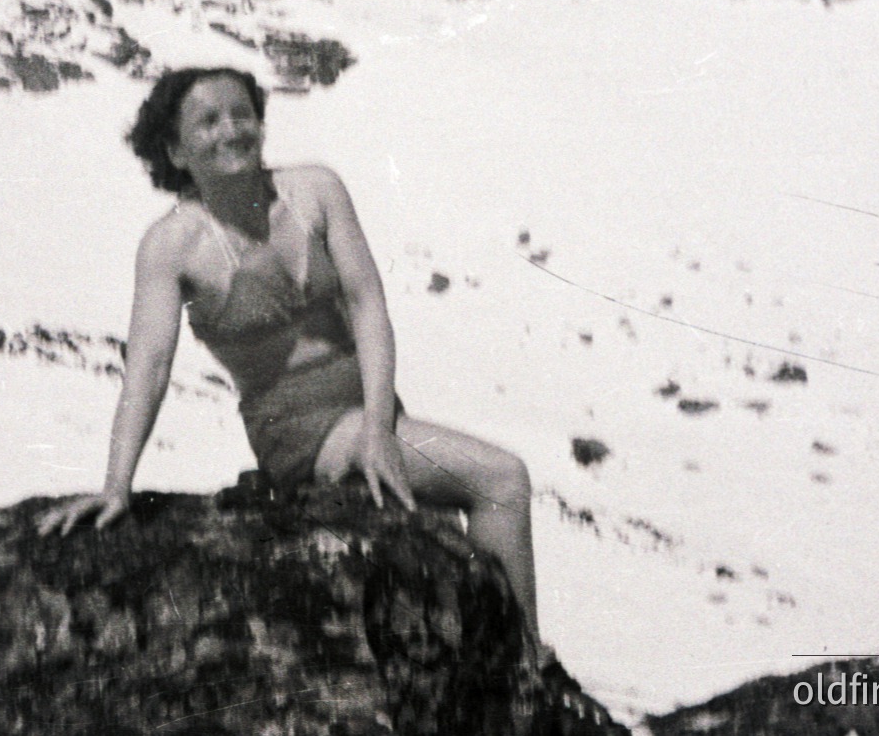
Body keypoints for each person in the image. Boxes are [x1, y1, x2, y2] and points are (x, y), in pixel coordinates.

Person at [36, 66, 542, 647]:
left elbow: (367, 303)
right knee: (500, 481)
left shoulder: (315, 191)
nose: (231, 130)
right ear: (174, 150)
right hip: (300, 431)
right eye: (207, 122)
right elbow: (148, 369)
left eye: (241, 114)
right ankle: (527, 663)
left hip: (374, 415)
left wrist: (380, 427)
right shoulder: (172, 245)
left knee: (442, 550)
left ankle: (509, 667)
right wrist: (116, 485)